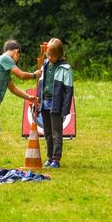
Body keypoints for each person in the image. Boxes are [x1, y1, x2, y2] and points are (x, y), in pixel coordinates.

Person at [0, 40, 40, 172]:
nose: (17, 60)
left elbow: (13, 89)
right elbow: (21, 75)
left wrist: (29, 97)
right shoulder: (5, 58)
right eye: (18, 57)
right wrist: (35, 75)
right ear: (16, 52)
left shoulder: (4, 67)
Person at [36, 38, 73, 169]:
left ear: (60, 54)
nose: (49, 57)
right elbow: (40, 84)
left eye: (52, 55)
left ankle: (56, 158)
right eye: (48, 54)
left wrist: (65, 108)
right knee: (47, 132)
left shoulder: (65, 69)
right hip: (44, 102)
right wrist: (37, 100)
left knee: (56, 133)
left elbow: (69, 90)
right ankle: (50, 156)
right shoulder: (45, 65)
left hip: (56, 104)